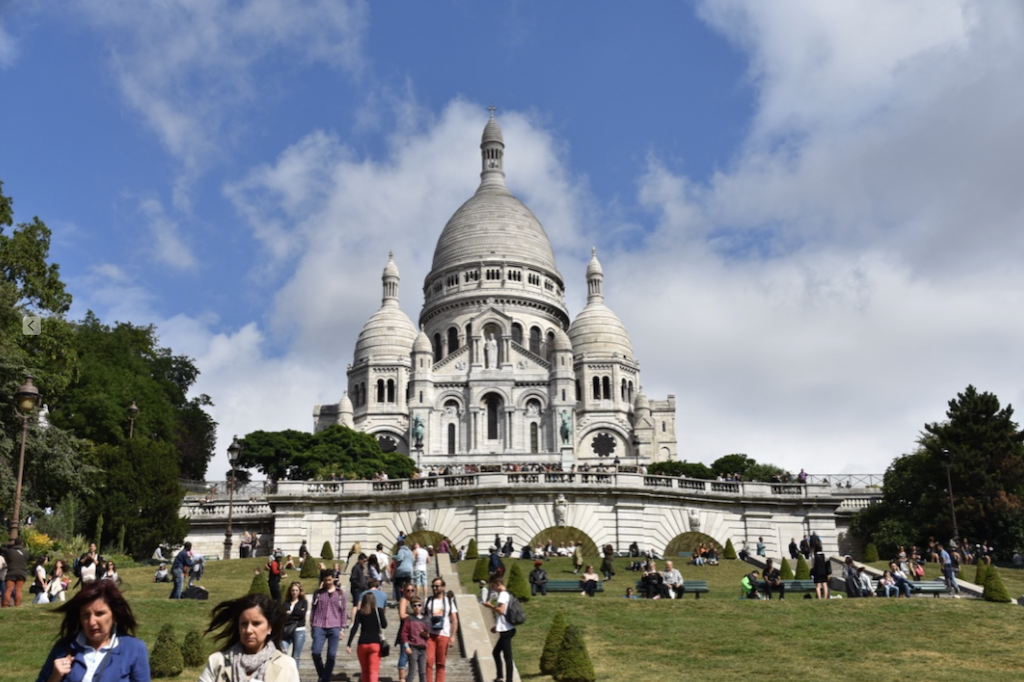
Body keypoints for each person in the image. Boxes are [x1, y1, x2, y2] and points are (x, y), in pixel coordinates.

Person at [35, 580, 151, 682]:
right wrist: (55, 677)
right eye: (85, 615)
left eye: (99, 614)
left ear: (114, 615)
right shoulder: (64, 647)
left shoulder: (134, 648)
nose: (91, 622)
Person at [198, 593, 299, 682]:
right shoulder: (217, 661)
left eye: (256, 624)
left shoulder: (286, 665)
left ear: (269, 628)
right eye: (244, 624)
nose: (248, 630)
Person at [311, 570, 348, 682]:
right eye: (325, 580)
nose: (328, 582)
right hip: (319, 625)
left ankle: (324, 679)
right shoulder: (318, 593)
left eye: (330, 579)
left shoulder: (340, 594)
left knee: (331, 655)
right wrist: (312, 625)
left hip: (335, 625)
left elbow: (344, 611)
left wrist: (342, 629)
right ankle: (323, 675)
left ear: (333, 579)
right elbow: (313, 609)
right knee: (316, 652)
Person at [346, 593, 387, 682]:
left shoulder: (360, 612)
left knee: (365, 671)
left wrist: (349, 643)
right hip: (375, 643)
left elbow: (355, 628)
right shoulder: (378, 611)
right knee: (373, 670)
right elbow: (384, 625)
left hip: (362, 644)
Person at [483, 577, 516, 682]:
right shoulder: (507, 594)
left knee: (507, 656)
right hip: (506, 628)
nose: (493, 588)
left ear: (498, 584)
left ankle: (508, 679)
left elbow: (501, 611)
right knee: (496, 652)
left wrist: (490, 606)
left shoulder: (503, 594)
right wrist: (497, 626)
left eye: (493, 586)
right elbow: (504, 613)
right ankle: (500, 676)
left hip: (506, 630)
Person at [425, 578, 458, 682]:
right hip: (430, 635)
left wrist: (453, 636)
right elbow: (421, 616)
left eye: (437, 586)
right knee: (428, 661)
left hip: (443, 634)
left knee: (441, 663)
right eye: (433, 586)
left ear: (443, 587)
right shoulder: (428, 601)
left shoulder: (448, 602)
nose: (434, 588)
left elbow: (454, 620)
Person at [399, 598, 429, 682]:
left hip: (423, 648)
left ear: (422, 606)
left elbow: (429, 631)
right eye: (414, 605)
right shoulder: (409, 619)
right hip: (413, 647)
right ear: (412, 607)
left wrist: (427, 634)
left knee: (423, 672)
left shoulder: (425, 618)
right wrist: (406, 646)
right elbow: (404, 633)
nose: (417, 607)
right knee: (412, 671)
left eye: (419, 605)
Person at [282, 582, 308, 666]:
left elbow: (302, 615)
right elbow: (282, 615)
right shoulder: (285, 603)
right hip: (287, 630)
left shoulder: (303, 602)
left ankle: (294, 677)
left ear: (300, 591)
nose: (294, 592)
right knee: (283, 653)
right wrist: (295, 613)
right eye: (293, 590)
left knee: (295, 656)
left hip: (299, 630)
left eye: (296, 590)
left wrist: (290, 613)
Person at [3, 536, 29, 606]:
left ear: (14, 543)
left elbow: (7, 560)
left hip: (11, 571)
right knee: (18, 589)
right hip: (21, 572)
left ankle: (5, 604)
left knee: (8, 589)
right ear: (22, 543)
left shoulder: (9, 551)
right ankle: (17, 604)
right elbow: (27, 560)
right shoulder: (25, 552)